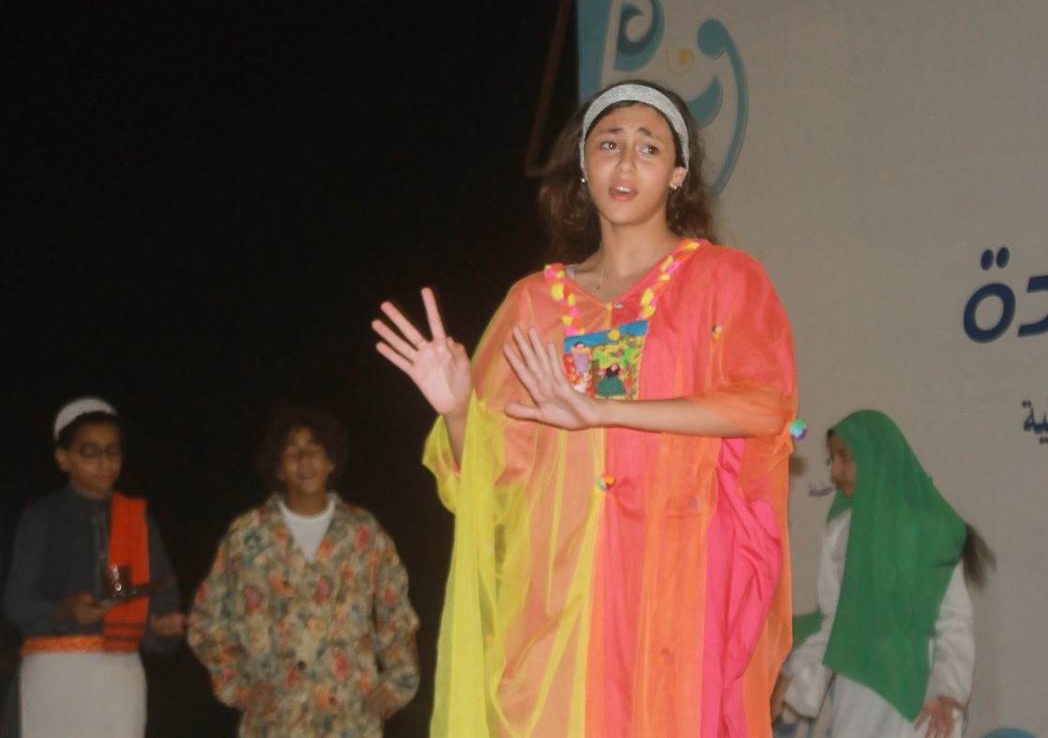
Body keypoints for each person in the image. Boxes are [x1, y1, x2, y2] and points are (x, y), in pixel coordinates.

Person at [372, 80, 798, 737]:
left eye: (648, 148)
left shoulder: (723, 279)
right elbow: (490, 478)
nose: (626, 163)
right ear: (583, 164)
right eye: (608, 144)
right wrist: (458, 411)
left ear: (677, 174)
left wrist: (605, 410)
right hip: (561, 604)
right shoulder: (534, 302)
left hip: (675, 591)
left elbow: (764, 406)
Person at [187, 405, 419, 738]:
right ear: (279, 467)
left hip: (350, 718)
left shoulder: (362, 533)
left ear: (331, 462)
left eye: (314, 449)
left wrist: (398, 682)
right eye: (293, 452)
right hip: (276, 720)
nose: (304, 460)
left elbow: (395, 612)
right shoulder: (248, 536)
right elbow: (207, 621)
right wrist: (238, 686)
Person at [772, 410, 995, 738]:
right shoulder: (838, 532)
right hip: (858, 695)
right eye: (832, 459)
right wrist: (792, 675)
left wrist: (946, 691)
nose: (835, 470)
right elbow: (835, 621)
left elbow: (954, 621)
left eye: (846, 458)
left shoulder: (928, 529)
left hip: (922, 701)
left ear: (876, 457)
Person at [3, 397, 185, 738]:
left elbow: (162, 599)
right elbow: (16, 603)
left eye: (113, 452)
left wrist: (164, 628)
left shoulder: (137, 520)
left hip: (120, 678)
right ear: (64, 458)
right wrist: (64, 610)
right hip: (54, 679)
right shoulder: (41, 517)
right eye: (91, 453)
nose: (106, 463)